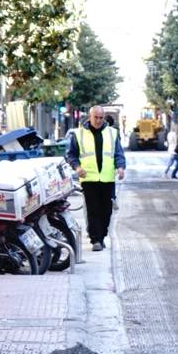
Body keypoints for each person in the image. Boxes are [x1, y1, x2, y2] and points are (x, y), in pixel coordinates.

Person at [65, 105, 126, 251]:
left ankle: (102, 236)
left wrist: (120, 167)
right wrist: (77, 167)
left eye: (101, 118)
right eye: (95, 117)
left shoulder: (112, 133)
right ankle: (95, 240)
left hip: (107, 178)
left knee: (107, 211)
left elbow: (118, 153)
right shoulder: (78, 134)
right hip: (89, 178)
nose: (98, 120)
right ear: (90, 117)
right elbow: (70, 154)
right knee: (93, 210)